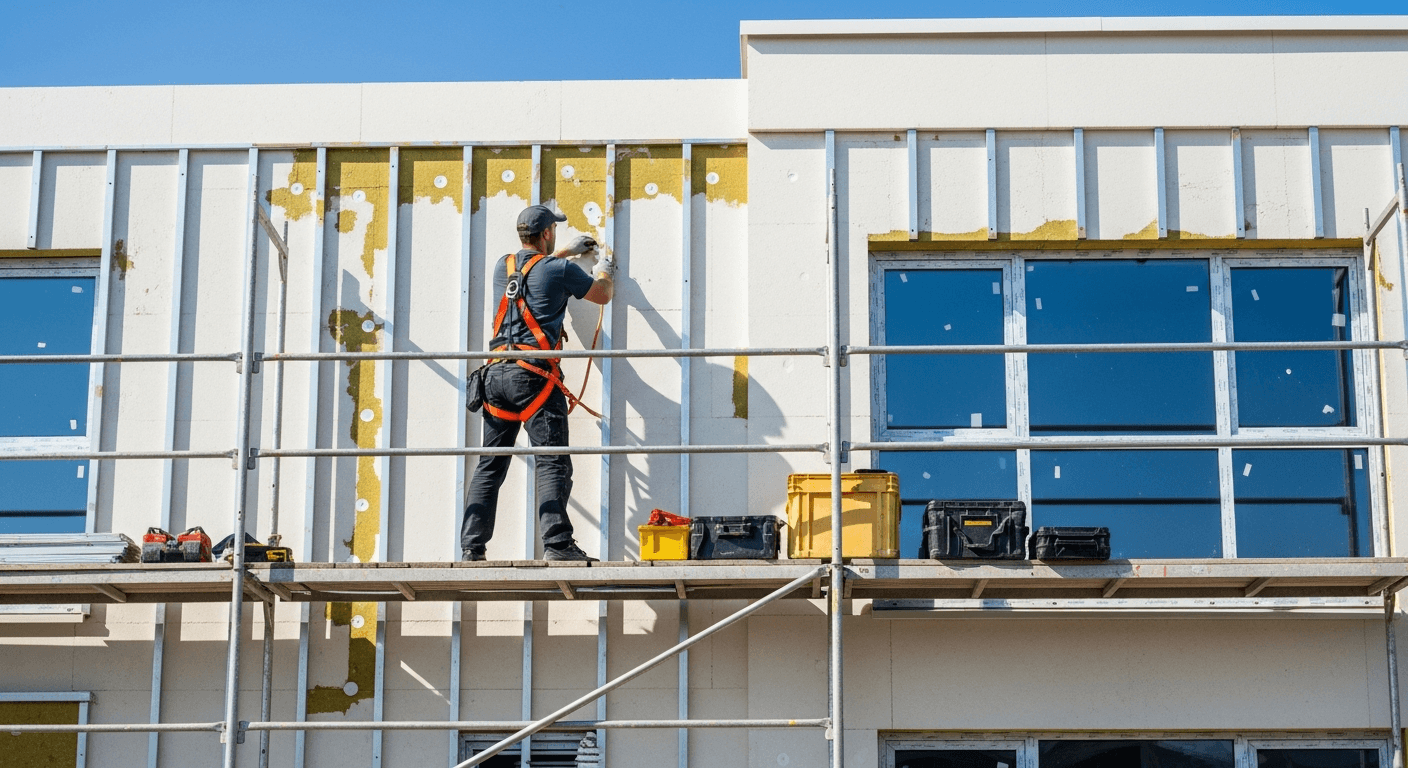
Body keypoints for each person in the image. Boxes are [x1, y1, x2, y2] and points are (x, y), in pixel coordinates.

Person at [460, 205, 615, 561]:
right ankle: (558, 545)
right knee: (551, 461)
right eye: (554, 232)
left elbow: (533, 268)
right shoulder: (561, 270)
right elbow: (602, 295)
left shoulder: (503, 266)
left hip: (494, 376)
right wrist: (603, 271)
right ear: (547, 233)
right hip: (534, 377)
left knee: (491, 464)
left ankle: (472, 548)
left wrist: (566, 252)